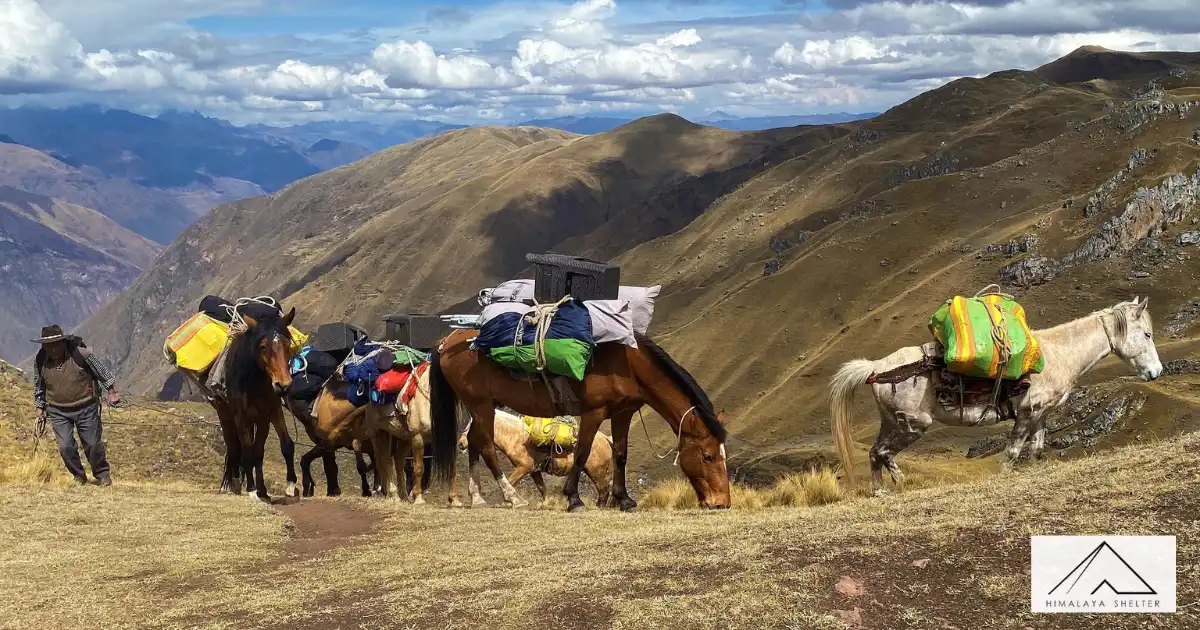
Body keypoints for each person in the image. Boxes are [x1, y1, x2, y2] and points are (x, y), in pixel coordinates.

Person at [32, 325, 119, 486]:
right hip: (57, 410)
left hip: (86, 406)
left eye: (55, 344)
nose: (51, 349)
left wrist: (111, 391)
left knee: (92, 444)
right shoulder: (40, 360)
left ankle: (102, 474)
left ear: (62, 342)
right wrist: (40, 407)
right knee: (65, 447)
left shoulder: (80, 353)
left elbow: (102, 371)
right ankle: (79, 476)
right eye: (47, 346)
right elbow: (39, 385)